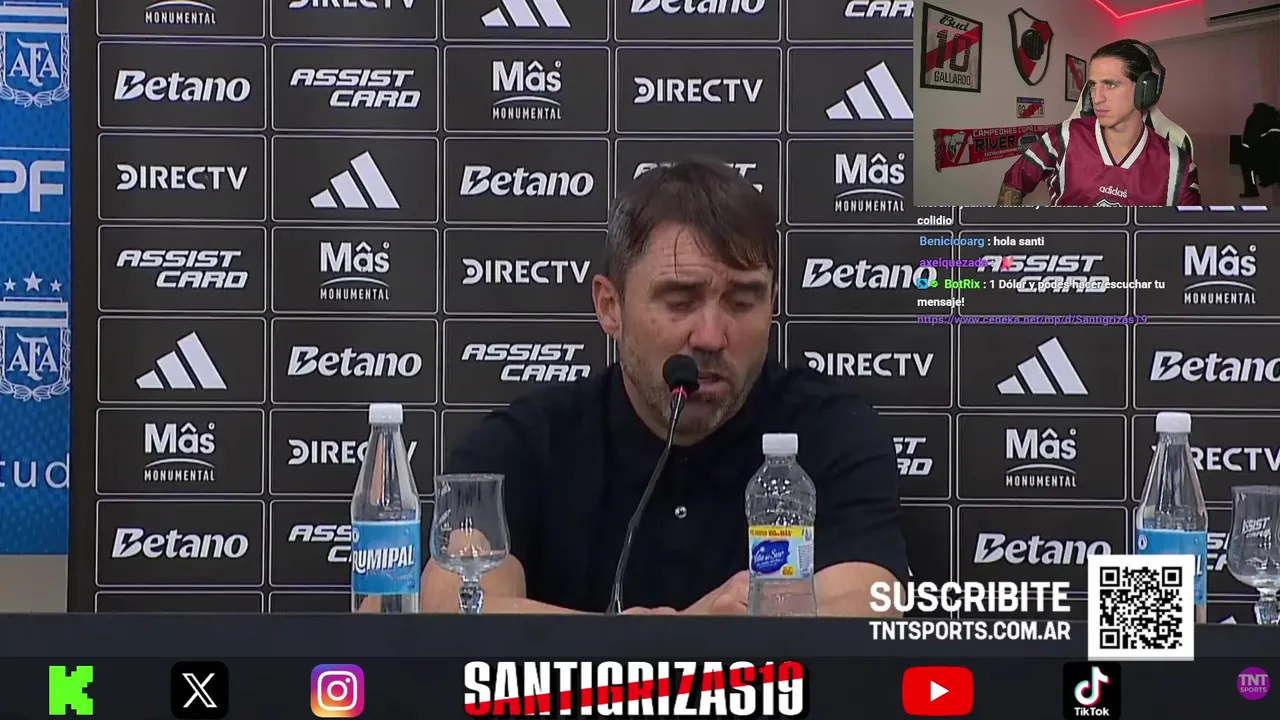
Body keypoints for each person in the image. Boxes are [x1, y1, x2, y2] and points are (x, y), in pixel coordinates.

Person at [419, 158, 908, 616]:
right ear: (610, 306)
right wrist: (652, 646)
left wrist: (745, 622)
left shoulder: (830, 431)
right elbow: (454, 605)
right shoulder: (525, 444)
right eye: (680, 300)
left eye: (742, 301)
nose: (711, 336)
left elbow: (873, 603)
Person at [997, 39, 1200, 207]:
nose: (1096, 98)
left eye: (1110, 84)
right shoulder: (1064, 136)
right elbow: (1014, 183)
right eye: (1093, 85)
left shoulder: (1179, 165)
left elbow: (1186, 236)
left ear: (1145, 90)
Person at [1240, 102, 1280, 198]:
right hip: (1275, 151)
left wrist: (1245, 149)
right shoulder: (1275, 116)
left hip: (1264, 150)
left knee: (1247, 163)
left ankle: (1251, 190)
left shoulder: (1254, 117)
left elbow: (1248, 141)